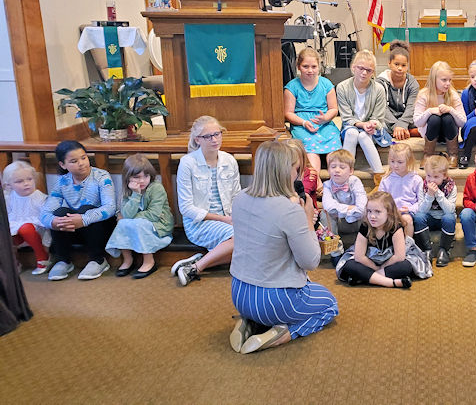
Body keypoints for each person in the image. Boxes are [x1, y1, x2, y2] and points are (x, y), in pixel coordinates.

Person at [229, 140, 338, 354]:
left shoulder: (240, 198)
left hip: (239, 293)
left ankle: (250, 322)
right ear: (283, 170)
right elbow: (310, 261)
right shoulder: (289, 210)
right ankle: (283, 334)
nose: (298, 175)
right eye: (296, 169)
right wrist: (307, 219)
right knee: (329, 304)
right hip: (274, 300)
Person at [171, 116, 241, 286]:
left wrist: (238, 218)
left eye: (217, 134)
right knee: (241, 238)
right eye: (208, 136)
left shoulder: (229, 160)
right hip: (200, 223)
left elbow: (237, 196)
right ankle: (196, 268)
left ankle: (198, 261)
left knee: (256, 240)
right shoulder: (188, 163)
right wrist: (224, 220)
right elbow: (186, 208)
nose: (214, 139)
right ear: (197, 140)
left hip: (229, 218)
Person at [39, 141, 117, 281]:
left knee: (86, 209)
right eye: (74, 161)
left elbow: (110, 208)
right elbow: (45, 212)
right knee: (59, 213)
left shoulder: (101, 176)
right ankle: (63, 260)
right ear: (63, 165)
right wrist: (53, 221)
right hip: (74, 228)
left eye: (84, 157)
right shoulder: (62, 182)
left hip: (100, 229)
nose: (81, 163)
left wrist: (83, 219)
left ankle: (98, 260)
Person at [335, 191, 432, 287]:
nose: (372, 216)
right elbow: (359, 257)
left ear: (389, 213)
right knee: (350, 265)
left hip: (390, 261)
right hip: (370, 261)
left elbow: (399, 257)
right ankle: (391, 282)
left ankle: (364, 277)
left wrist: (382, 267)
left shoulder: (396, 227)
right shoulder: (365, 226)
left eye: (377, 212)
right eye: (369, 211)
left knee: (405, 266)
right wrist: (375, 267)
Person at [105, 154, 173, 279]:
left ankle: (149, 261)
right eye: (137, 177)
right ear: (128, 178)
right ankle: (128, 259)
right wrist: (136, 195)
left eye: (146, 176)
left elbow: (153, 214)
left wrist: (129, 218)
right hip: (139, 223)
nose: (142, 181)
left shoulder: (156, 188)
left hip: (160, 224)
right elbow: (126, 214)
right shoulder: (128, 190)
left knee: (135, 223)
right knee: (122, 223)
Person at [283, 47, 341, 172]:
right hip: (301, 125)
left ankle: (337, 179)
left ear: (319, 67)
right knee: (310, 148)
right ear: (298, 67)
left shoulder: (326, 84)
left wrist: (325, 118)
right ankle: (316, 182)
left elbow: (333, 109)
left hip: (324, 124)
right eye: (305, 66)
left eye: (314, 67)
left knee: (333, 145)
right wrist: (303, 122)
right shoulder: (292, 87)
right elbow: (288, 113)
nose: (310, 70)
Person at [338, 50, 388, 174]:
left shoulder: (379, 89)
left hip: (372, 128)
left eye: (369, 70)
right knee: (352, 133)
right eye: (361, 68)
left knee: (363, 135)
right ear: (353, 67)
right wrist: (362, 125)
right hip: (350, 126)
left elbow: (378, 117)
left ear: (373, 72)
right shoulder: (342, 87)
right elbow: (346, 118)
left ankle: (379, 175)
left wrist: (371, 125)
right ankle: (346, 174)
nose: (364, 73)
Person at [414, 61, 467, 169]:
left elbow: (463, 121)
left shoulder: (453, 94)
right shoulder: (424, 94)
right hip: (431, 134)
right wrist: (430, 111)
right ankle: (428, 155)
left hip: (449, 134)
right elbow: (417, 122)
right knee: (434, 118)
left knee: (447, 117)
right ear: (434, 79)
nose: (448, 83)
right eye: (444, 80)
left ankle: (453, 155)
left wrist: (451, 110)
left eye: (449, 80)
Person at [3, 161, 51, 275]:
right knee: (5, 232)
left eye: (29, 179)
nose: (26, 183)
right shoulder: (8, 197)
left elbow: (45, 218)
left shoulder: (39, 197)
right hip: (15, 227)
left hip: (36, 229)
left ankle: (42, 257)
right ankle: (13, 262)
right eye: (19, 181)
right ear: (9, 185)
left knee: (26, 228)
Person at [322, 149, 367, 267]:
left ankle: (364, 248)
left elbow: (362, 206)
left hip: (357, 220)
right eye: (333, 167)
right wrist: (349, 209)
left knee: (369, 211)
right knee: (324, 213)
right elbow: (329, 206)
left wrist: (343, 210)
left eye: (342, 167)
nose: (337, 170)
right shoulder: (327, 185)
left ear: (351, 171)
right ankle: (336, 253)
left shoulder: (355, 181)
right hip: (340, 222)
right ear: (328, 170)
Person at [413, 154, 457, 267]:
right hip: (429, 217)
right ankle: (427, 249)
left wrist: (438, 194)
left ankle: (444, 250)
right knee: (418, 217)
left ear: (444, 175)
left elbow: (449, 210)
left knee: (450, 218)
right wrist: (429, 196)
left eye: (436, 177)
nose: (431, 180)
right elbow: (421, 210)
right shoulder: (423, 186)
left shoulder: (451, 186)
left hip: (443, 217)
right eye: (428, 176)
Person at [376, 40, 420, 140]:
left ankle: (402, 131)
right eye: (396, 64)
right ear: (389, 63)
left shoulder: (413, 83)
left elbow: (411, 107)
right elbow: (382, 108)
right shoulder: (380, 83)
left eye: (403, 65)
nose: (400, 68)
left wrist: (402, 123)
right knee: (376, 124)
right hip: (387, 120)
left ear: (407, 66)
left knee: (425, 121)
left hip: (408, 120)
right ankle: (403, 132)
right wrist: (396, 126)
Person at [378, 143, 422, 237]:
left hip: (408, 211)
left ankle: (407, 246)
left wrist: (410, 208)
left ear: (409, 161)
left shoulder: (415, 179)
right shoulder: (386, 179)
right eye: (392, 161)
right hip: (390, 211)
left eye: (400, 162)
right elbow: (380, 199)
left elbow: (421, 201)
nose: (395, 165)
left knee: (407, 220)